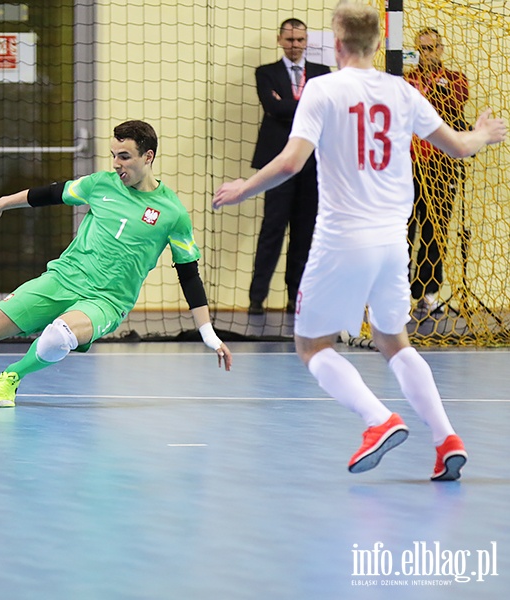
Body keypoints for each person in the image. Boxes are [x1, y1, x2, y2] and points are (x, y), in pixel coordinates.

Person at [213, 1, 506, 481]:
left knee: (311, 346)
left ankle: (378, 420)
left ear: (339, 40)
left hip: (342, 239)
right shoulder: (401, 91)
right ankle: (446, 437)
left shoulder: (323, 89)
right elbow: (458, 146)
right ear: (376, 43)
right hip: (392, 242)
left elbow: (291, 163)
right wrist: (483, 133)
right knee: (396, 342)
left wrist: (242, 188)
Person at [0, 120, 233, 408]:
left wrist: (208, 333)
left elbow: (189, 274)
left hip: (108, 300)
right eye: (113, 155)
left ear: (147, 156)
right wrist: (2, 203)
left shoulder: (173, 213)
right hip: (64, 278)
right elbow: (51, 193)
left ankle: (13, 375)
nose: (116, 164)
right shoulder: (100, 184)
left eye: (124, 157)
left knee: (59, 335)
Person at [247, 19, 330, 315]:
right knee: (272, 227)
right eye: (290, 40)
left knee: (304, 232)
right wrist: (307, 105)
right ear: (279, 40)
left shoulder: (322, 74)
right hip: (276, 162)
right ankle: (257, 297)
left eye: (300, 40)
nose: (295, 45)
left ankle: (296, 296)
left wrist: (290, 105)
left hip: (311, 163)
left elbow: (317, 110)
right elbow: (273, 108)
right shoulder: (265, 73)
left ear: (307, 41)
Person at [405, 28, 469, 315]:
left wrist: (435, 91)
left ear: (441, 49)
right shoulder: (405, 79)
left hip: (440, 165)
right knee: (403, 230)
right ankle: (397, 293)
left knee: (435, 229)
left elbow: (454, 106)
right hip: (407, 163)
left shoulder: (455, 79)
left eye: (431, 48)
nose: (427, 54)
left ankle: (427, 292)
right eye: (422, 49)